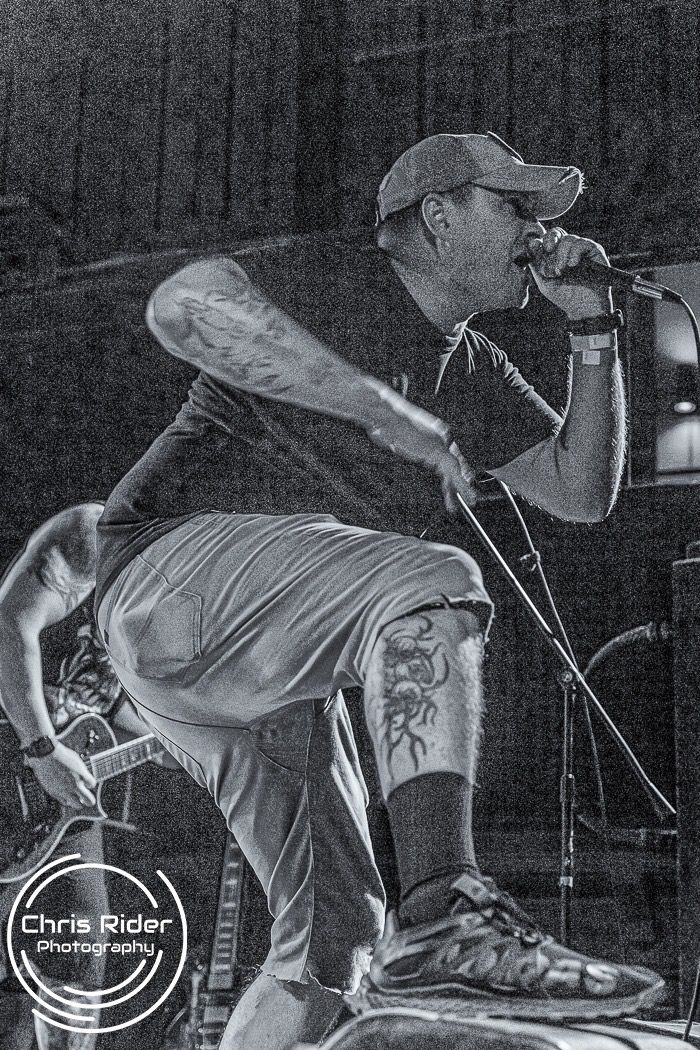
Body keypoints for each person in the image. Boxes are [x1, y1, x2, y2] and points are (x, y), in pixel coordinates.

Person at [94, 132, 663, 1049]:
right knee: (435, 577)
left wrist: (593, 328)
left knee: (337, 942)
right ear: (438, 217)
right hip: (169, 574)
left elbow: (581, 491)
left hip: (260, 670)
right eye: (514, 206)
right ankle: (446, 911)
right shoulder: (337, 277)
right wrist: (377, 406)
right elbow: (181, 304)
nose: (538, 230)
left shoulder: (471, 366)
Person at [0, 503, 175, 1050]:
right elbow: (8, 625)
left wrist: (182, 742)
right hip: (17, 752)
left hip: (61, 800)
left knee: (82, 955)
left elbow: (100, 698)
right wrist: (42, 749)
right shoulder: (95, 533)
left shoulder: (174, 594)